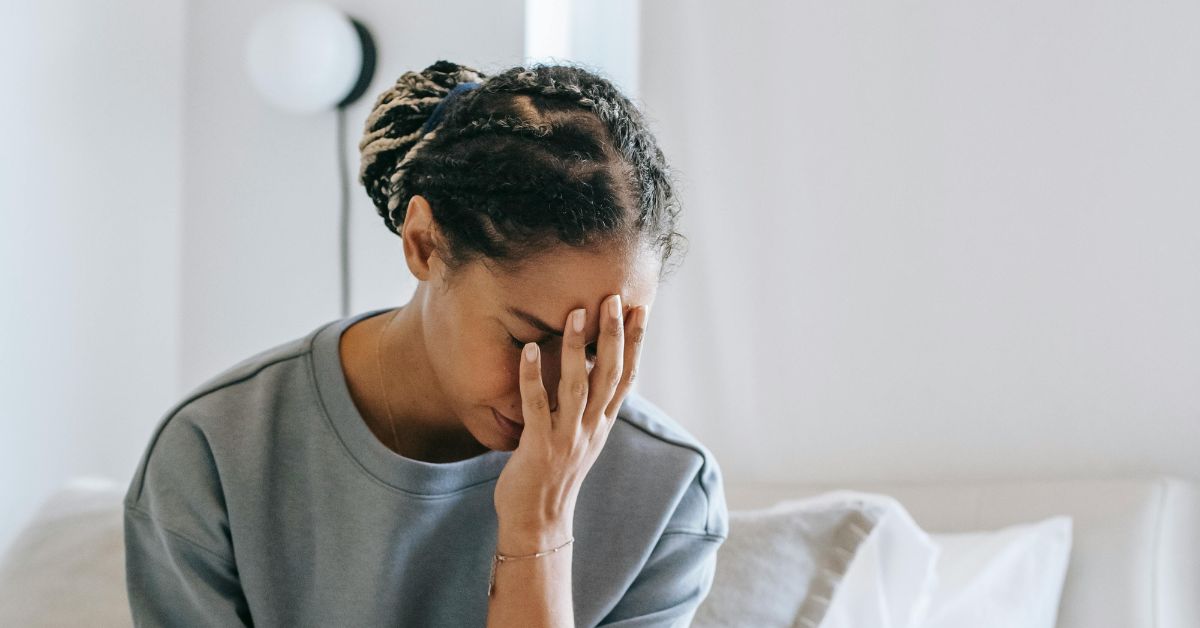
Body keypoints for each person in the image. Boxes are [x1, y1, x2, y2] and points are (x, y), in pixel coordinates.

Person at [123, 60, 727, 627]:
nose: (555, 392)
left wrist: (539, 528)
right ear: (424, 244)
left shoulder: (670, 495)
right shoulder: (217, 454)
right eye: (529, 339)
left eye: (597, 348)